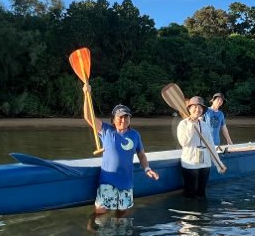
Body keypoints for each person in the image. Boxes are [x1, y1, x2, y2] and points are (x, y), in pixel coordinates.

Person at [83, 85, 159, 214]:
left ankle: (119, 232)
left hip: (126, 182)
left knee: (122, 213)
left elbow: (141, 153)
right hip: (108, 180)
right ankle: (92, 230)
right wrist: (86, 95)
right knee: (100, 213)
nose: (123, 120)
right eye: (120, 117)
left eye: (126, 117)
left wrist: (147, 168)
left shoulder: (135, 134)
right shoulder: (106, 130)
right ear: (113, 119)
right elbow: (88, 117)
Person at [177, 96, 213, 197]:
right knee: (191, 192)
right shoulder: (183, 124)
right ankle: (189, 212)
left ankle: (202, 212)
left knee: (201, 192)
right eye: (195, 107)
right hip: (190, 163)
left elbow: (210, 144)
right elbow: (184, 142)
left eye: (200, 107)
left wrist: (218, 163)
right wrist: (190, 125)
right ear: (189, 108)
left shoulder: (204, 125)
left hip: (205, 163)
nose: (197, 109)